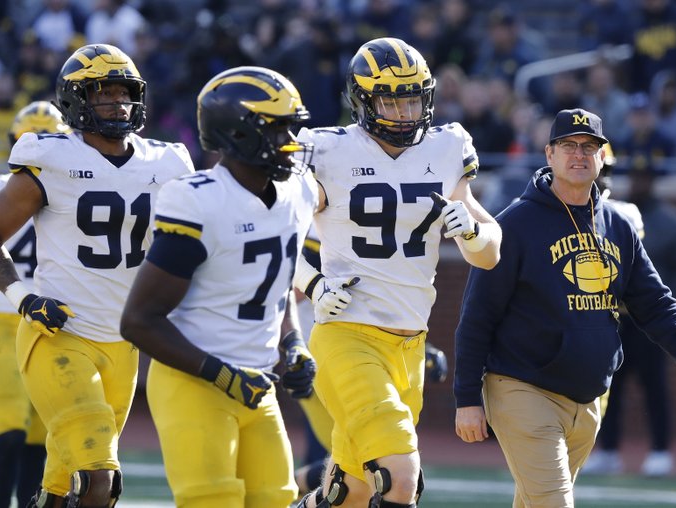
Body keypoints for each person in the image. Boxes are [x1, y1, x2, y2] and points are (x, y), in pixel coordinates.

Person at [453, 108, 676, 508]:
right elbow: (477, 315)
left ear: (602, 158)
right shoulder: (513, 224)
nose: (579, 155)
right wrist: (467, 399)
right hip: (523, 388)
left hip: (587, 401)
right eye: (568, 145)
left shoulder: (617, 225)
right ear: (549, 154)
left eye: (589, 147)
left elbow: (655, 302)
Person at [293, 37, 502, 508]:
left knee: (350, 492)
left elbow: (489, 254)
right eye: (391, 100)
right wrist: (311, 282)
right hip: (347, 337)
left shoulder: (447, 147)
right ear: (362, 101)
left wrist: (472, 233)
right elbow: (276, 235)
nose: (405, 112)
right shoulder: (327, 151)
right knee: (400, 478)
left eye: (412, 99)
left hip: (409, 345)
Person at [0, 43, 194, 507]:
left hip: (124, 344)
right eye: (103, 93)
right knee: (101, 479)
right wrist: (22, 297)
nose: (117, 103)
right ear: (77, 101)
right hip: (60, 333)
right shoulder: (52, 157)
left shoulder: (167, 163)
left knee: (61, 489)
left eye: (124, 93)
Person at [119, 66, 317, 508]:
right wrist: (221, 374)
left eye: (292, 127)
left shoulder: (298, 192)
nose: (291, 141)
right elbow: (138, 321)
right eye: (278, 128)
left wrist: (294, 343)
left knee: (275, 500)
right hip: (194, 382)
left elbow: (273, 288)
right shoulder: (199, 200)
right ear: (238, 134)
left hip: (255, 385)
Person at [291, 235, 449, 497]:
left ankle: (284, 486)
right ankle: (282, 485)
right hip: (321, 353)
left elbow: (383, 297)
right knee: (376, 457)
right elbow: (283, 286)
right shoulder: (322, 216)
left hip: (359, 354)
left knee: (356, 461)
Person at [0, 101, 70, 508]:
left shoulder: (74, 193)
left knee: (39, 437)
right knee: (13, 432)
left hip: (48, 325)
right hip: (3, 320)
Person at [584, 160, 676, 477]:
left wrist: (661, 303)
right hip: (615, 319)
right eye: (634, 176)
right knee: (609, 388)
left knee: (655, 387)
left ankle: (660, 451)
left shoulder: (669, 221)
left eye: (644, 177)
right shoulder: (613, 214)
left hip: (648, 324)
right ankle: (608, 451)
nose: (638, 182)